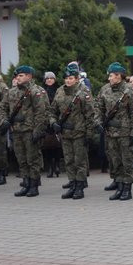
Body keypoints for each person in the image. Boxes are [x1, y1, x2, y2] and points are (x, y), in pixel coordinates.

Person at [93, 62, 133, 201]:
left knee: (126, 161)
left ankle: (127, 188)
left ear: (119, 76)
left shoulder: (129, 90)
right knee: (115, 160)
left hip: (125, 132)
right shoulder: (105, 90)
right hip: (110, 132)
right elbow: (98, 108)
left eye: (111, 76)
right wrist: (98, 122)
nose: (109, 78)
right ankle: (119, 186)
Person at [0, 65, 49, 197]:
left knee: (32, 159)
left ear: (29, 76)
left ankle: (34, 185)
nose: (18, 78)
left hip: (30, 130)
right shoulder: (11, 92)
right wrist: (4, 121)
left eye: (21, 75)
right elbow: (3, 108)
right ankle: (25, 182)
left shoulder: (36, 91)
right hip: (16, 130)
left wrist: (38, 130)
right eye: (17, 76)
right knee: (21, 158)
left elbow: (41, 112)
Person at [50, 68, 94, 199]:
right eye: (66, 78)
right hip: (65, 133)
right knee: (68, 161)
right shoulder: (59, 91)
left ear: (76, 79)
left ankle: (80, 187)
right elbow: (52, 111)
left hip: (79, 132)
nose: (68, 81)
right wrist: (53, 123)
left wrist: (89, 134)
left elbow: (90, 114)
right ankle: (72, 184)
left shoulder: (83, 92)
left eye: (71, 78)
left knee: (79, 161)